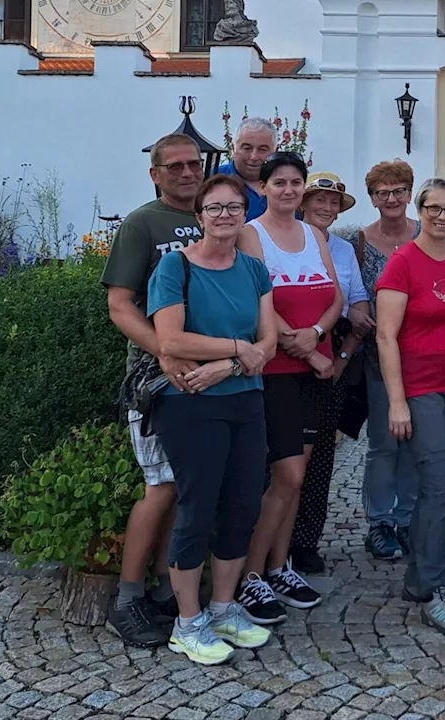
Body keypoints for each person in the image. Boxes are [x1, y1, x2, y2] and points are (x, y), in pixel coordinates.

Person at [146, 173, 279, 665]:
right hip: (191, 405)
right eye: (215, 208)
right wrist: (240, 348)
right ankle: (187, 621)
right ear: (199, 216)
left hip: (245, 398)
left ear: (244, 214)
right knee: (198, 508)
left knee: (243, 504)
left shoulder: (253, 269)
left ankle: (223, 608)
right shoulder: (174, 268)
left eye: (234, 208)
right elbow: (171, 341)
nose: (225, 216)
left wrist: (230, 362)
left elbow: (267, 341)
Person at [101, 133, 204, 648]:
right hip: (154, 380)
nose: (188, 173)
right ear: (156, 173)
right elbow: (120, 304)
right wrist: (162, 349)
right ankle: (127, 599)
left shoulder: (210, 215)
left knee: (185, 488)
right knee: (160, 485)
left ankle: (167, 589)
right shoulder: (143, 223)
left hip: (205, 372)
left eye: (194, 164)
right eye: (177, 166)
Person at [235, 151, 345, 624]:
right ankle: (249, 576)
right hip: (276, 373)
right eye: (278, 182)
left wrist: (318, 334)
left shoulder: (315, 234)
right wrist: (307, 349)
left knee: (297, 479)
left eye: (295, 182)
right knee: (286, 477)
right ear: (263, 188)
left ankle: (279, 567)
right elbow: (260, 305)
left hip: (313, 371)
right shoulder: (250, 235)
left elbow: (336, 295)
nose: (288, 190)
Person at [375, 178, 445, 634]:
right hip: (419, 389)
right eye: (434, 209)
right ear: (421, 210)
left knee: (439, 482)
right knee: (441, 484)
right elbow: (385, 335)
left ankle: (419, 577)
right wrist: (397, 402)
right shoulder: (403, 263)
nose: (442, 217)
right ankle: (437, 588)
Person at [345, 159, 423, 561]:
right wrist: (356, 312)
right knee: (383, 445)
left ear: (410, 194)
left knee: (413, 445)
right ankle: (380, 522)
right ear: (373, 198)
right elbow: (348, 291)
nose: (391, 198)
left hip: (422, 358)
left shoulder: (427, 235)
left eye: (398, 191)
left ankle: (408, 519)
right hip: (378, 358)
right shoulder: (357, 242)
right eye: (382, 192)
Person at [290, 171, 366, 574]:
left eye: (333, 202)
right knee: (282, 457)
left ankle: (306, 541)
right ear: (303, 202)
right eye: (319, 199)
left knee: (320, 454)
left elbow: (358, 307)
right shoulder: (279, 238)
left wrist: (343, 357)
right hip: (288, 351)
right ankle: (273, 545)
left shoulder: (344, 250)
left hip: (333, 351)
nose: (326, 207)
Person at [215, 117, 277, 220]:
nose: (254, 157)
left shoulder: (287, 185)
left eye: (262, 150)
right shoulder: (213, 179)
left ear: (276, 150)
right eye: (247, 148)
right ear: (233, 148)